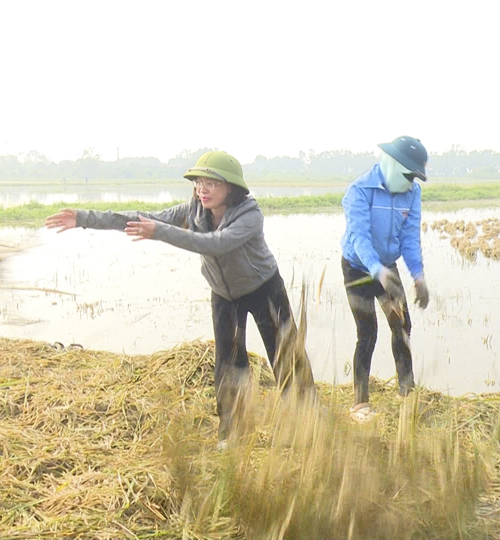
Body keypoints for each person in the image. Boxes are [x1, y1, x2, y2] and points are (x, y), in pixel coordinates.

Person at [44, 150, 316, 448]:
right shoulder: (194, 211)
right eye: (199, 183)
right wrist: (83, 218)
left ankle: (308, 422)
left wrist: (160, 232)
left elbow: (216, 244)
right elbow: (141, 219)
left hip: (264, 288)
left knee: (287, 356)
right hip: (224, 294)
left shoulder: (250, 215)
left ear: (231, 187)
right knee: (228, 364)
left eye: (211, 183)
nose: (203, 189)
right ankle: (232, 433)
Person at [340, 136, 431, 423]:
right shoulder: (359, 191)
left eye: (416, 178)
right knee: (367, 332)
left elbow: (409, 238)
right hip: (358, 268)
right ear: (393, 165)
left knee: (402, 325)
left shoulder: (411, 193)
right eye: (408, 176)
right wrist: (377, 271)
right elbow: (359, 238)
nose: (411, 183)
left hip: (387, 267)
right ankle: (360, 403)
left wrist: (418, 277)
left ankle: (406, 392)